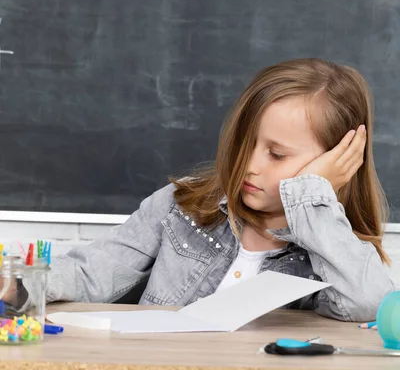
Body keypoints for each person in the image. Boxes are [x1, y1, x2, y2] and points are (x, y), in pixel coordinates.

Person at [4, 58, 395, 321]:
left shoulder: (331, 252)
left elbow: (371, 304)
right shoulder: (181, 206)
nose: (252, 165)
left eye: (277, 154)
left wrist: (312, 198)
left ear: (337, 161)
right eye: (248, 143)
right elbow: (92, 274)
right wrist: (16, 285)